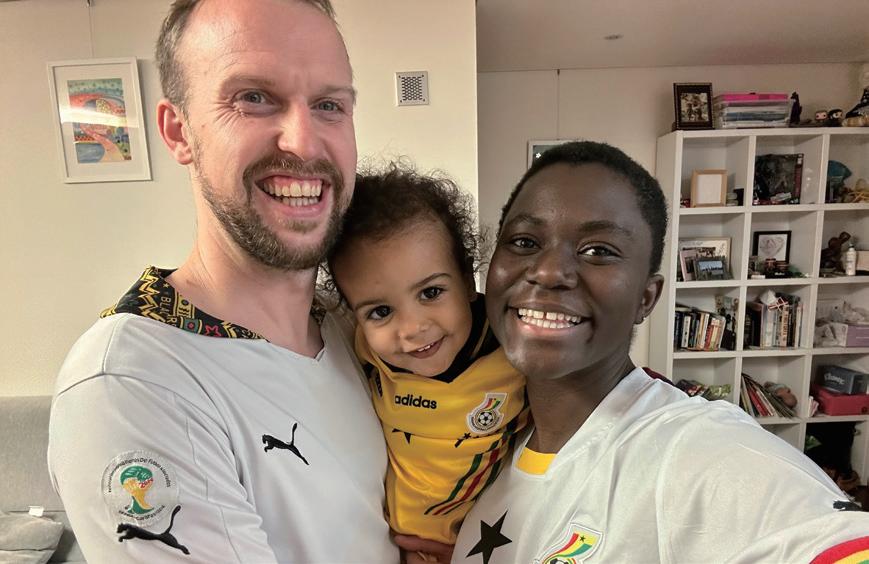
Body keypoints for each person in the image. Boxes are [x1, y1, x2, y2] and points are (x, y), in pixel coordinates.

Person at [47, 1, 398, 562]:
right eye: (253, 98)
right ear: (179, 131)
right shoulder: (132, 384)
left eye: (329, 105)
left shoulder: (353, 327)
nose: (304, 143)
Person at [452, 141, 869, 563]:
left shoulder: (693, 448)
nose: (548, 271)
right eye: (524, 241)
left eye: (598, 251)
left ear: (646, 298)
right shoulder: (486, 447)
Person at [326, 166, 528, 547]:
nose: (413, 329)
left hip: (483, 544)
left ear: (467, 279)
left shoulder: (514, 352)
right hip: (387, 542)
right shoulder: (365, 353)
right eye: (380, 312)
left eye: (431, 293)